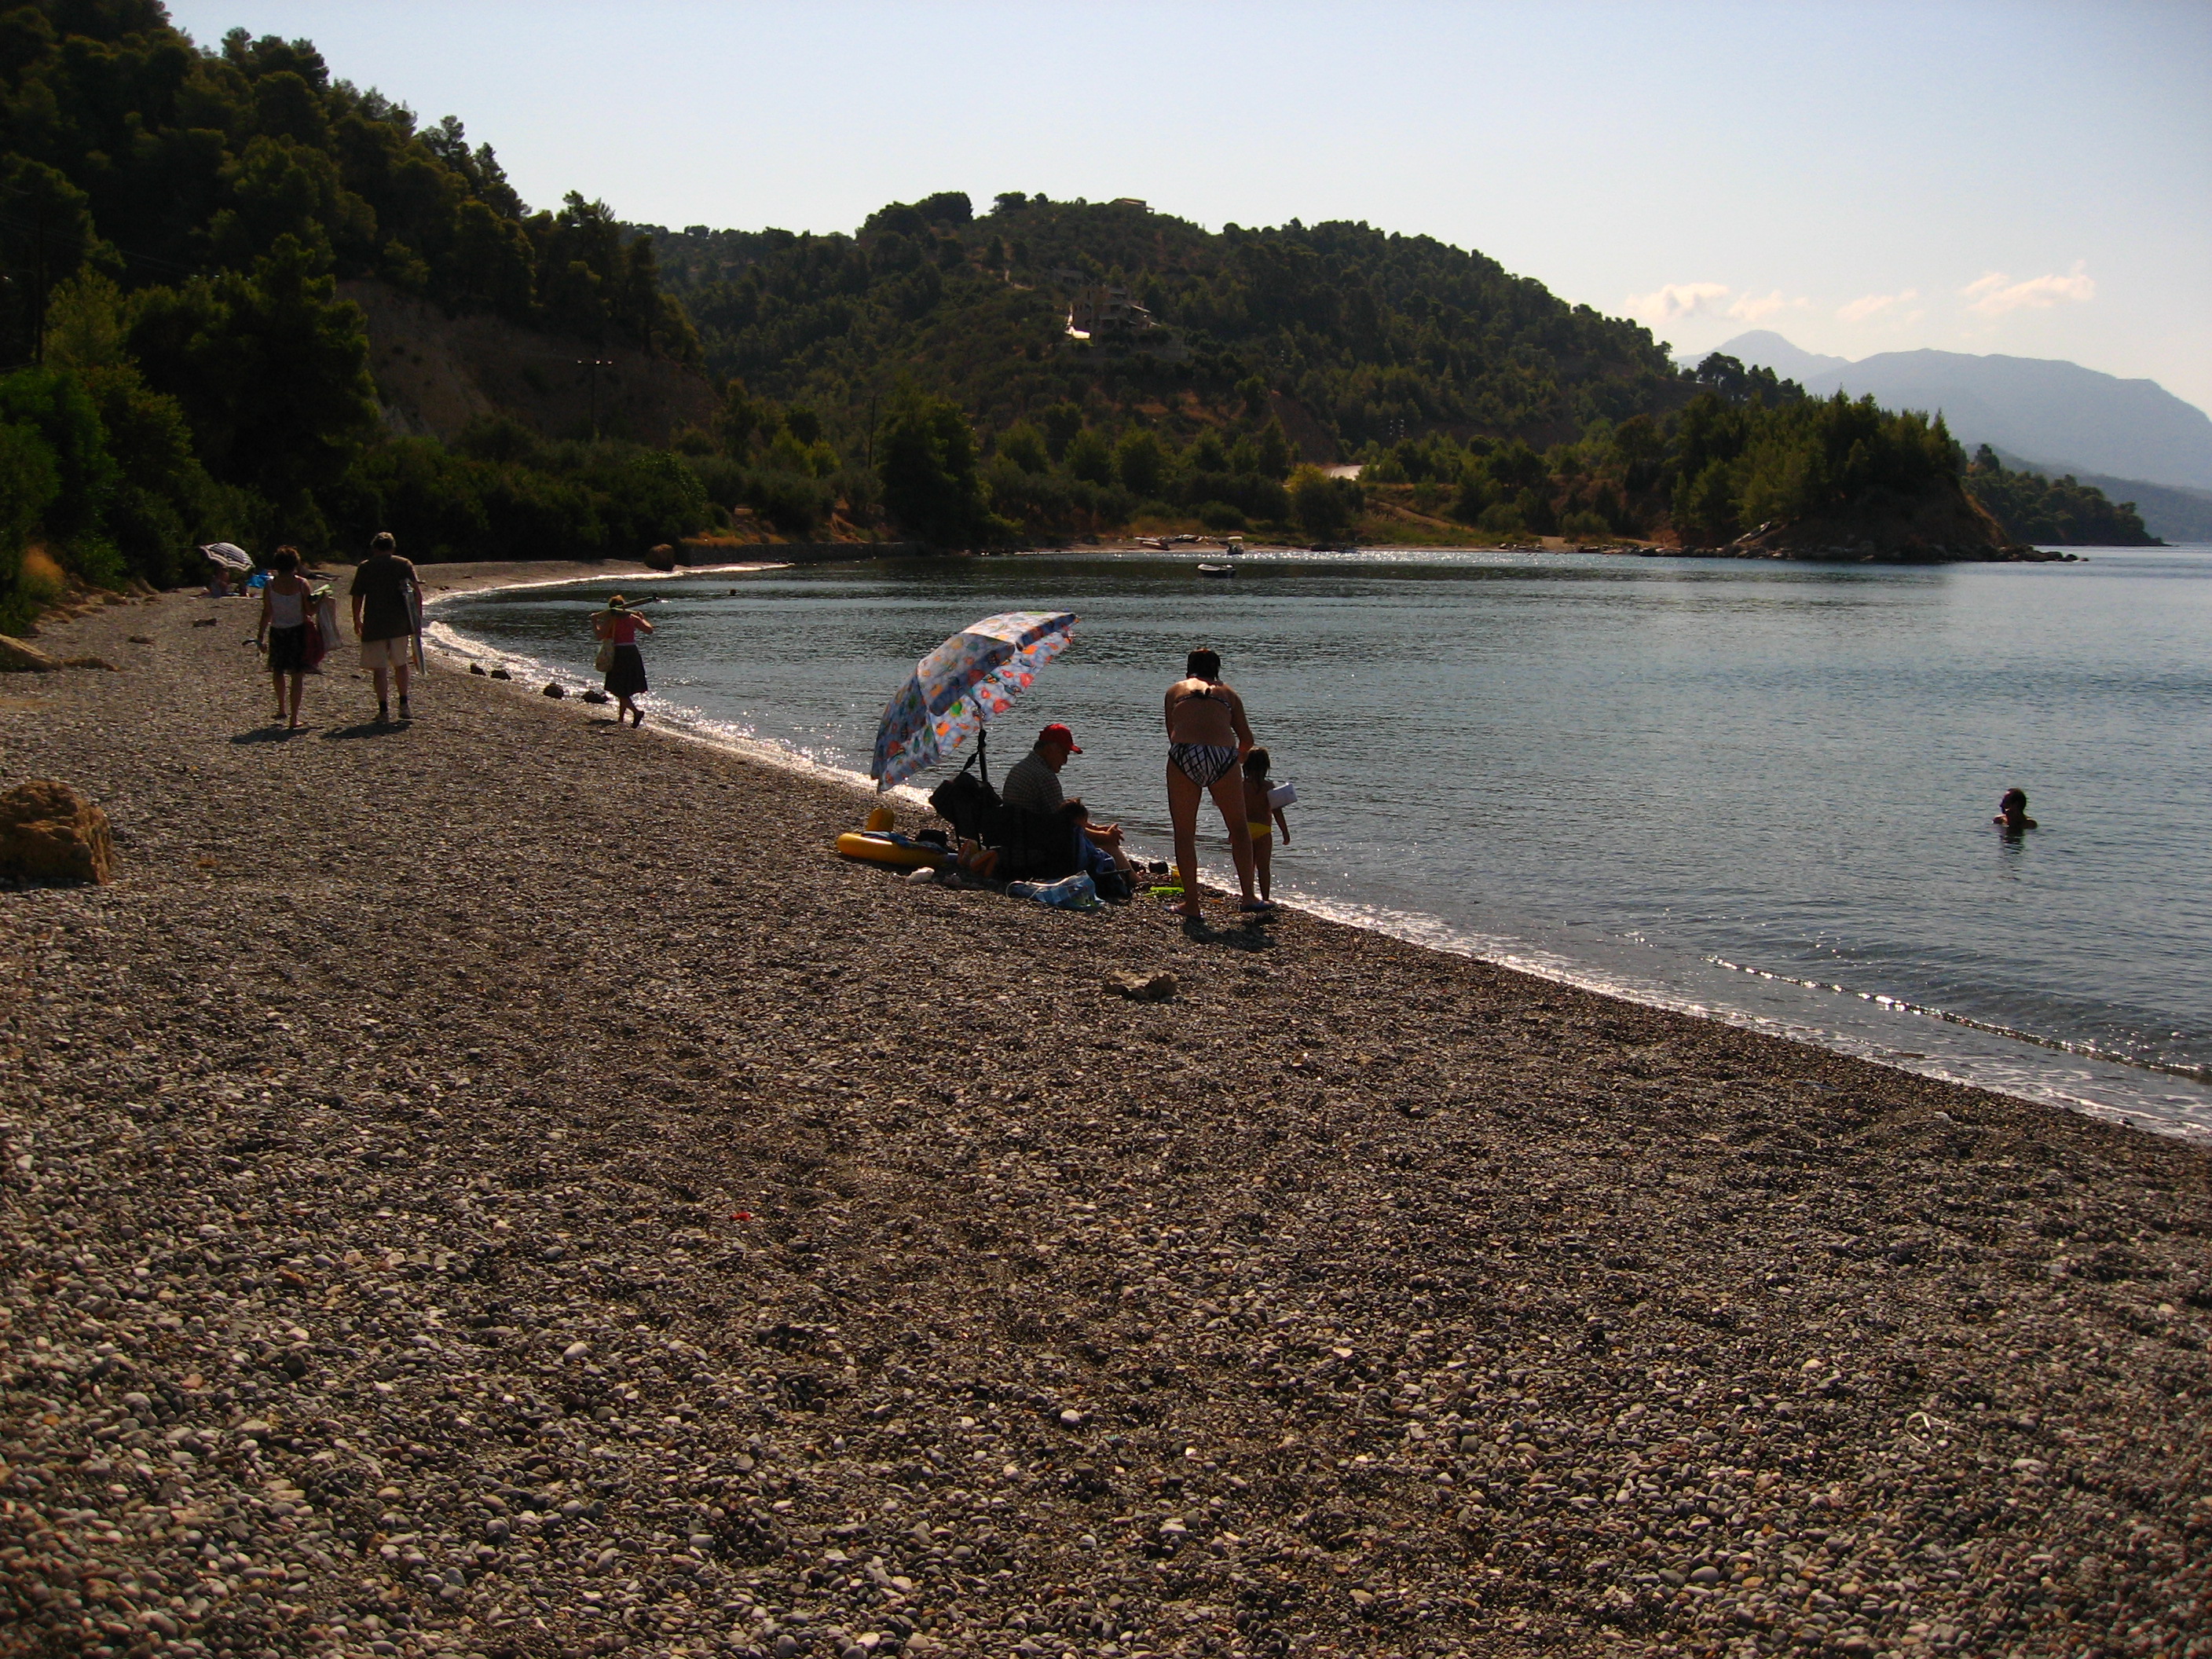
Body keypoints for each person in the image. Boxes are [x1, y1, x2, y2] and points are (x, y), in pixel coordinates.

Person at [1164, 646, 1267, 917]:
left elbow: (1172, 733)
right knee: (1239, 828)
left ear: (1189, 669)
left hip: (1185, 753)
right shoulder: (1229, 694)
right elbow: (1247, 739)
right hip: (1222, 755)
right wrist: (1237, 760)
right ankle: (1248, 896)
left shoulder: (1175, 690)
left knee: (1185, 833)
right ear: (1217, 670)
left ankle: (1192, 904)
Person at [1001, 723, 1134, 881]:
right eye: (1064, 753)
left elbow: (1061, 817)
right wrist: (1105, 837)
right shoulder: (1045, 777)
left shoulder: (1021, 768)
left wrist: (1097, 828)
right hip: (1036, 855)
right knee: (1108, 846)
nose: (1065, 761)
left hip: (1016, 847)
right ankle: (1135, 881)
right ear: (1050, 749)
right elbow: (1066, 827)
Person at [349, 531, 420, 722]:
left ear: (374, 548)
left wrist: (356, 619)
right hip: (399, 623)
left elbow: (358, 597)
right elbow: (416, 592)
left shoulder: (366, 567)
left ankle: (383, 710)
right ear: (392, 547)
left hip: (375, 624)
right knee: (401, 664)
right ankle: (404, 705)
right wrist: (417, 620)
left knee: (379, 669)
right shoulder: (404, 564)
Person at [255, 547, 313, 728]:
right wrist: (321, 601)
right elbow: (309, 611)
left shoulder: (270, 585)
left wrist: (260, 635)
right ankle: (294, 718)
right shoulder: (302, 584)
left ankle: (281, 707)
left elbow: (267, 612)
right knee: (297, 675)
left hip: (277, 630)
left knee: (278, 670)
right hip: (297, 631)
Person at [592, 595, 655, 726]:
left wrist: (594, 622)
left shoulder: (612, 619)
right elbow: (649, 630)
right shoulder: (632, 618)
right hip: (632, 652)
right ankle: (621, 718)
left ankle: (636, 712)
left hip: (619, 653)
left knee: (619, 688)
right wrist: (643, 619)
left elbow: (599, 636)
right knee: (623, 688)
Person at [1240, 746, 1291, 902]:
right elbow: (1277, 811)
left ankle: (1248, 896)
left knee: (1247, 868)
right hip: (1263, 830)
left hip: (1244, 829)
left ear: (1246, 765)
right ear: (1266, 766)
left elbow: (1235, 811)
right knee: (1263, 868)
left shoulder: (1241, 786)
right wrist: (1285, 832)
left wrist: (1232, 831)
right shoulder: (1268, 787)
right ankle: (1266, 898)